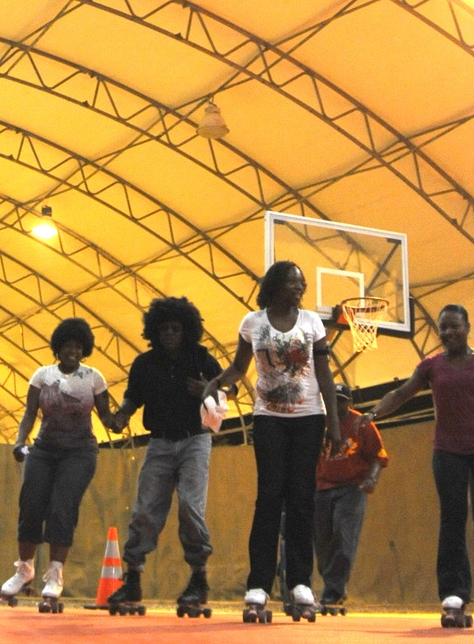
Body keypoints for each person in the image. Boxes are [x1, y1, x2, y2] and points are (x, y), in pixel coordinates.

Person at [361, 303, 474, 628]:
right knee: (452, 519)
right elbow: (401, 393)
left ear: (467, 327)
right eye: (443, 327)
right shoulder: (431, 366)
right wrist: (374, 413)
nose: (448, 332)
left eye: (454, 326)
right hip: (448, 452)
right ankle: (454, 594)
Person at [203, 261, 341, 621]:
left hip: (309, 417)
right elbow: (238, 368)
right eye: (292, 282)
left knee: (301, 498)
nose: (299, 287)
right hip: (269, 419)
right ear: (275, 285)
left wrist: (335, 424)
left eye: (302, 283)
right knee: (269, 497)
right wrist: (215, 383)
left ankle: (299, 581)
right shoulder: (253, 323)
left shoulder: (312, 322)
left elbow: (324, 373)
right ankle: (259, 584)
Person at [105, 296, 223, 610]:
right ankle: (132, 580)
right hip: (159, 442)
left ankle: (199, 579)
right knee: (145, 509)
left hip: (195, 440)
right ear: (154, 331)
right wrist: (121, 416)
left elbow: (230, 388)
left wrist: (209, 389)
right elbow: (133, 397)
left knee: (189, 506)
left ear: (187, 330)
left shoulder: (201, 358)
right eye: (164, 329)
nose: (169, 334)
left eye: (175, 328)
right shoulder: (144, 364)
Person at [0, 318, 113, 606]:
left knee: (62, 507)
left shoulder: (93, 377)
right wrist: (19, 441)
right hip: (44, 450)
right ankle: (24, 569)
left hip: (79, 452)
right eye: (67, 346)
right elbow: (29, 414)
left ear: (84, 349)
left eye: (78, 346)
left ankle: (55, 575)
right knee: (31, 504)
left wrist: (123, 417)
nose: (72, 351)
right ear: (58, 348)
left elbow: (107, 417)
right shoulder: (42, 375)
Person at [314, 383, 388, 607]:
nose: (336, 404)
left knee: (343, 535)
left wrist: (372, 479)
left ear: (350, 402)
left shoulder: (360, 424)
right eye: (332, 399)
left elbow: (378, 455)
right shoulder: (319, 423)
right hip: (322, 488)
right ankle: (333, 584)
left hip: (352, 488)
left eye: (341, 400)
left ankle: (333, 590)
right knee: (322, 541)